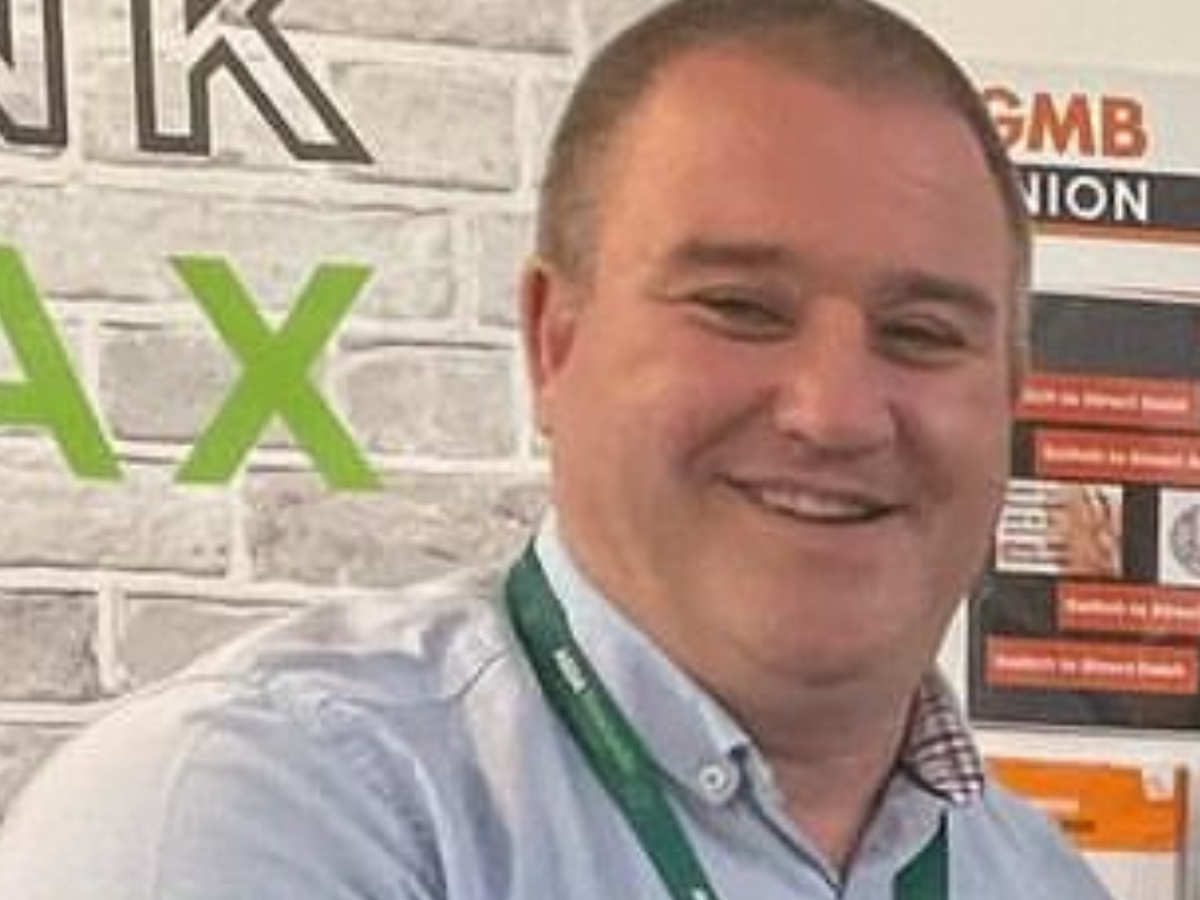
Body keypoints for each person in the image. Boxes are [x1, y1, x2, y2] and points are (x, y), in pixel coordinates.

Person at [0, 1, 1114, 897]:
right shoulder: (256, 811)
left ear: (1008, 396)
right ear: (554, 341)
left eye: (922, 333)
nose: (834, 412)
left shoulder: (1040, 878)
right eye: (739, 307)